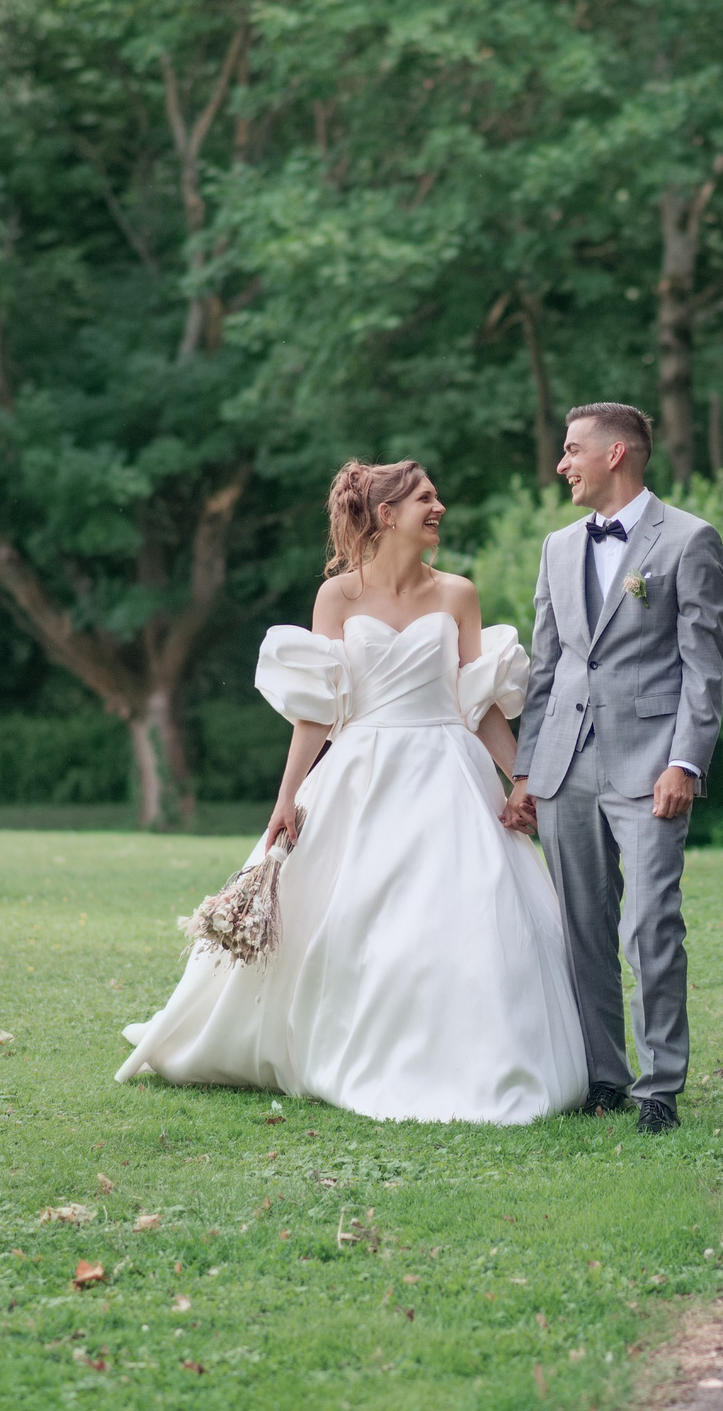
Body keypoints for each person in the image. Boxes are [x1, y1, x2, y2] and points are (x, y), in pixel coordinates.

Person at [114, 459, 587, 1125]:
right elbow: (319, 706)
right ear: (388, 513)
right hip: (359, 772)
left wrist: (522, 781)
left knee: (466, 916)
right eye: (427, 497)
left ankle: (463, 1056)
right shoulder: (339, 597)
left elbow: (477, 704)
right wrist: (287, 797)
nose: (440, 507)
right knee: (344, 917)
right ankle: (335, 1043)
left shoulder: (458, 593)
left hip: (446, 772)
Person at [500, 403, 723, 1135]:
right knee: (582, 927)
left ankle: (660, 1084)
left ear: (617, 453)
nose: (562, 463)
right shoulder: (557, 546)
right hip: (566, 765)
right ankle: (605, 1075)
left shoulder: (690, 540)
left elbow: (704, 669)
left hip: (651, 765)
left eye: (572, 450)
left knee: (651, 923)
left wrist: (684, 761)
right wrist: (527, 770)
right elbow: (547, 669)